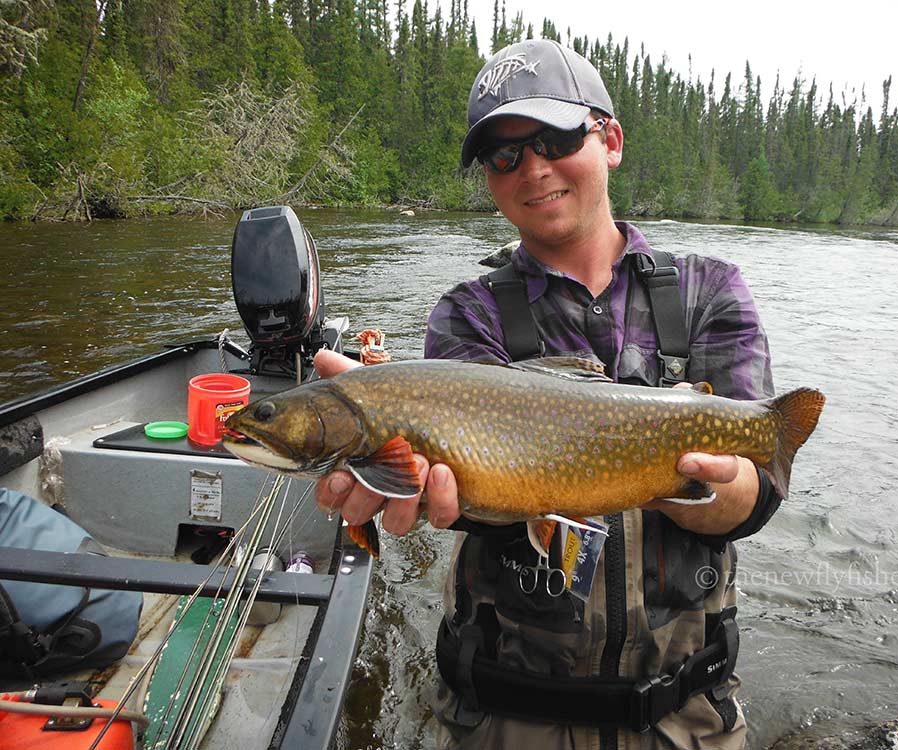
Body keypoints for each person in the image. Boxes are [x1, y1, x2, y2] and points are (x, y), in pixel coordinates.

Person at [313, 39, 781, 750]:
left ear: (610, 139)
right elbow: (469, 498)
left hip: (688, 717)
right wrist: (391, 447)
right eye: (503, 155)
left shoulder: (709, 291)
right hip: (505, 713)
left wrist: (693, 480)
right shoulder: (467, 314)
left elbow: (758, 491)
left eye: (555, 138)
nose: (532, 168)